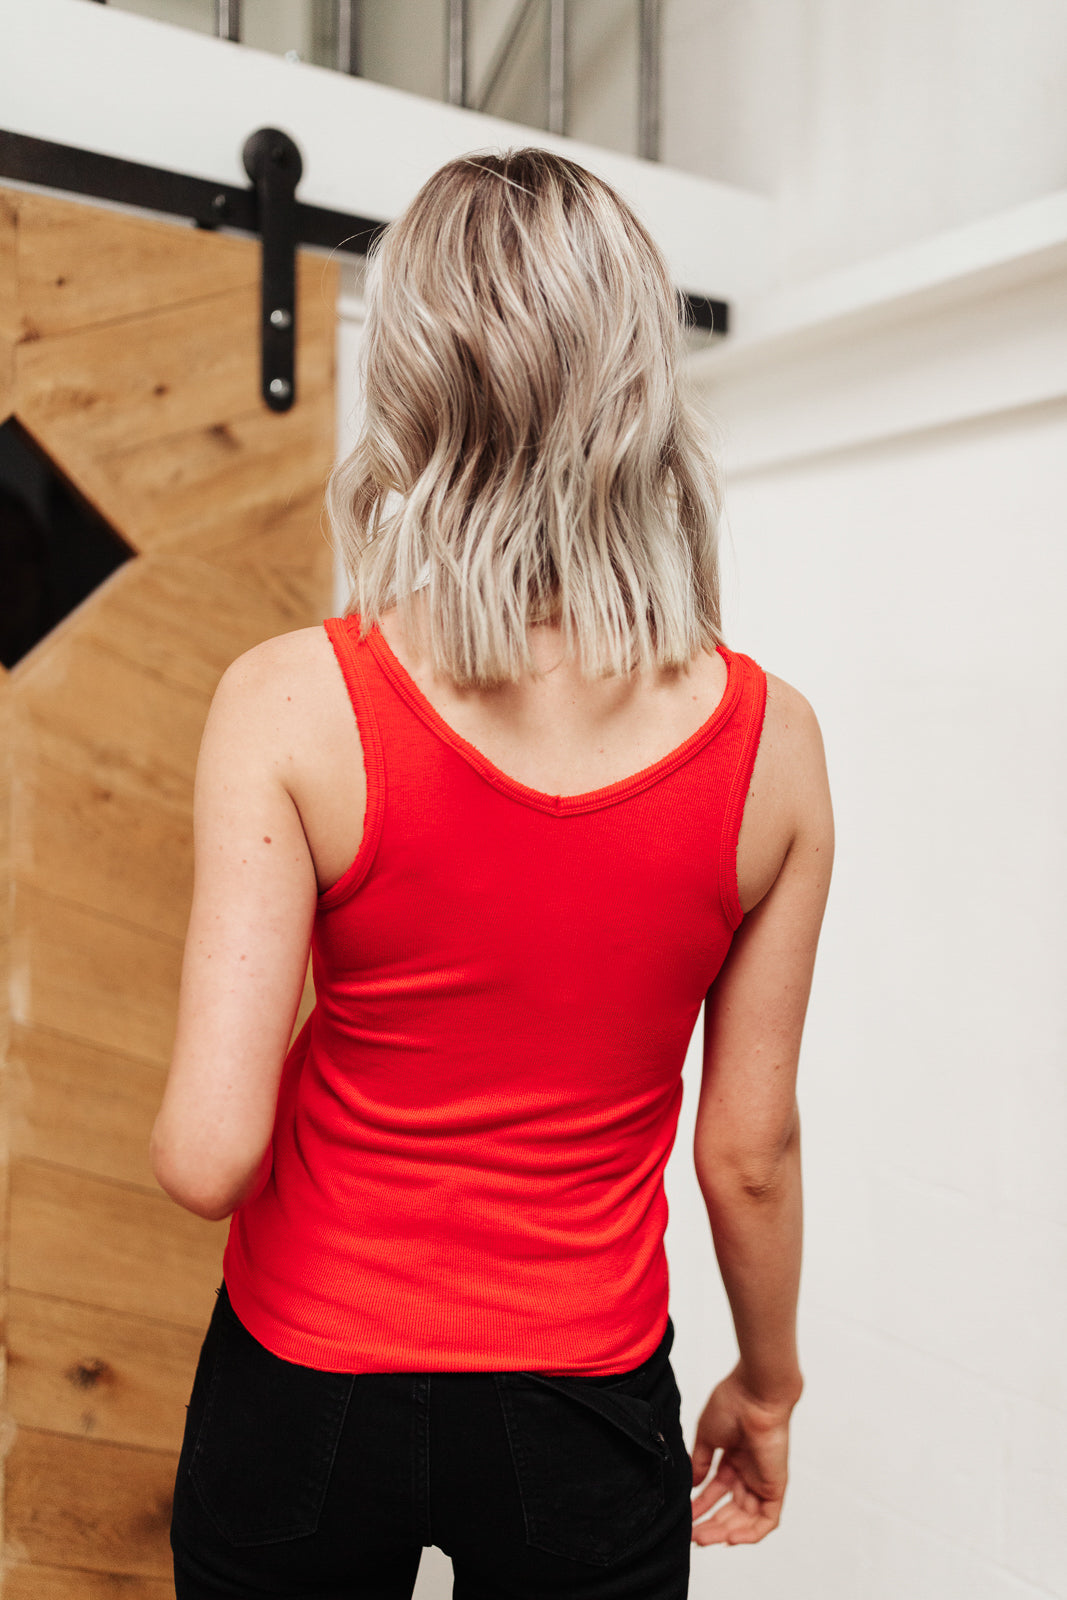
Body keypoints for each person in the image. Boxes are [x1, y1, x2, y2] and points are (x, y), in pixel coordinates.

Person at [152, 147, 833, 1600]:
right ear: (640, 388)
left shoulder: (291, 701)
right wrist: (767, 1386)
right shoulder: (771, 745)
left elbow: (206, 1159)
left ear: (413, 380)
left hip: (305, 1384)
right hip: (584, 1404)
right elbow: (748, 1156)